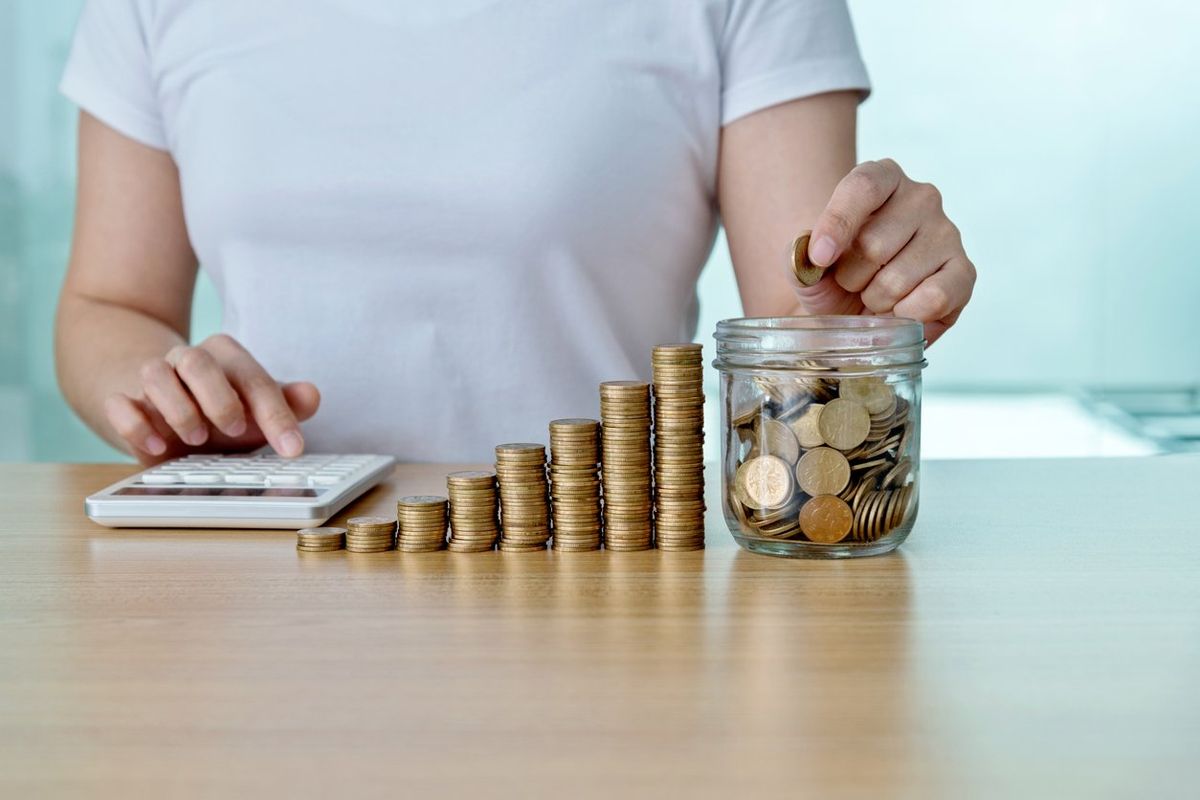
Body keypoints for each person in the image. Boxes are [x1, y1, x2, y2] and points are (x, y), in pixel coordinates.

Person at [54, 0, 975, 466]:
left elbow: (804, 318)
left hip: (606, 590)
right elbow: (110, 304)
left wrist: (867, 309)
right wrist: (159, 391)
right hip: (257, 581)